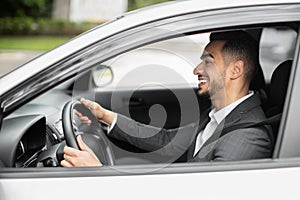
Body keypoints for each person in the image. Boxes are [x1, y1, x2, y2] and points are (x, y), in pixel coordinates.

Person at [61, 30, 274, 167]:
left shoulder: (247, 136)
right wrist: (105, 116)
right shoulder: (216, 115)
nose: (196, 70)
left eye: (208, 62)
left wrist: (98, 175)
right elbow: (166, 139)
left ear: (235, 70)